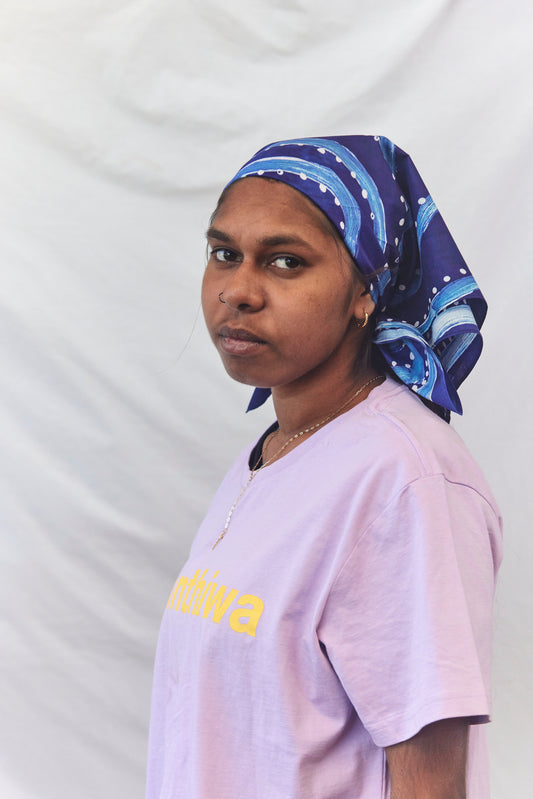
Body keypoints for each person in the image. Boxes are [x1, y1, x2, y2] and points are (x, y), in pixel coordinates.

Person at [146, 135, 502, 799]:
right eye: (224, 253)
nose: (237, 291)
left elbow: (430, 784)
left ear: (366, 290)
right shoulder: (277, 450)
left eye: (285, 261)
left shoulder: (403, 479)